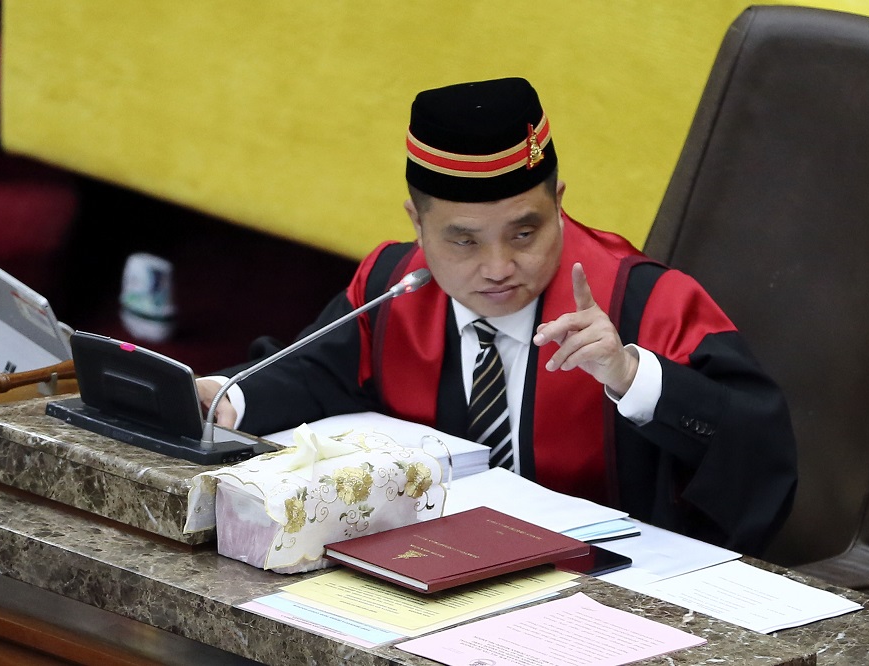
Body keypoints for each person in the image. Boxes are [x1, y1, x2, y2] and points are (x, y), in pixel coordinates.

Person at [196, 77, 796, 556]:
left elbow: (761, 455)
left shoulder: (646, 303)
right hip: (427, 566)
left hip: (596, 588)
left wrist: (631, 374)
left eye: (525, 232)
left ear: (559, 204)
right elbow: (316, 372)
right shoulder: (394, 286)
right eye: (463, 241)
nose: (498, 267)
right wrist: (227, 398)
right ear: (417, 224)